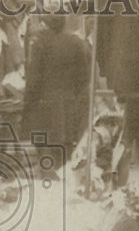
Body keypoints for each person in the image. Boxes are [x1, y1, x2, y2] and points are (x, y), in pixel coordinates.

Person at [21, 11, 90, 153]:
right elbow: (84, 77)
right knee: (67, 148)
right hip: (69, 103)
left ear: (47, 23)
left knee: (46, 150)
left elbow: (33, 78)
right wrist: (72, 93)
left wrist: (28, 102)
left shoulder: (40, 42)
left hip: (45, 105)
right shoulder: (76, 42)